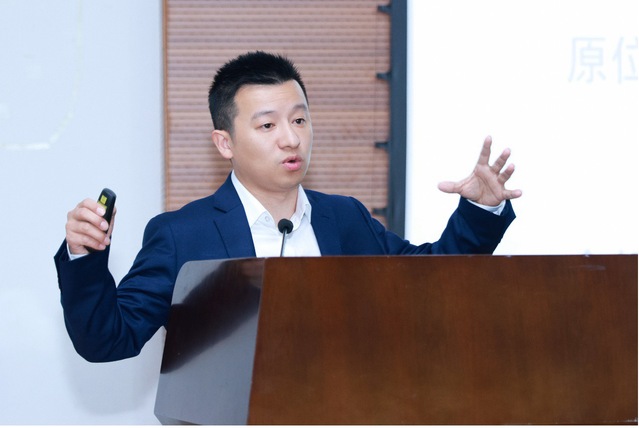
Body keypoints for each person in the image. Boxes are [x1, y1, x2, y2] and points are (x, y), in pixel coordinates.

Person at [54, 51, 522, 363]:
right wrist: (83, 256)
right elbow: (108, 339)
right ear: (225, 142)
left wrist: (480, 212)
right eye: (267, 125)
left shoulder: (345, 218)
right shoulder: (182, 234)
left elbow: (430, 283)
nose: (291, 138)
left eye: (299, 119)